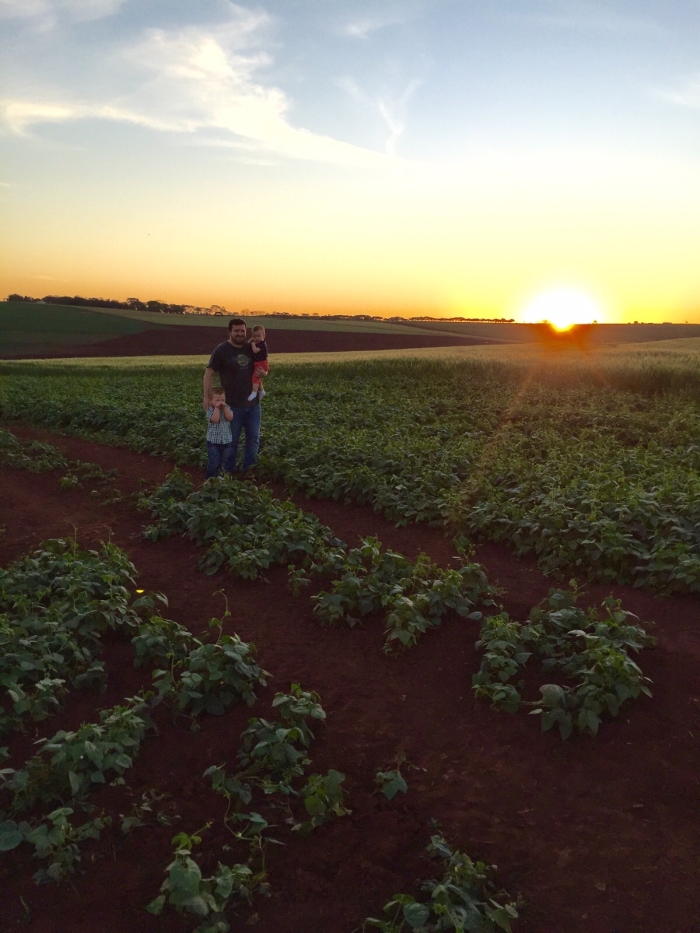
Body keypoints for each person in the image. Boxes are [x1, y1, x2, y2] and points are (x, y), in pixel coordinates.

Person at [202, 318, 266, 475]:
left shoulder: (251, 348)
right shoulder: (222, 350)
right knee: (231, 441)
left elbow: (262, 364)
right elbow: (209, 372)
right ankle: (228, 471)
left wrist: (264, 373)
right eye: (236, 331)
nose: (240, 334)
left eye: (242, 331)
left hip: (253, 405)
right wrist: (207, 397)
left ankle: (249, 471)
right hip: (232, 405)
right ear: (229, 332)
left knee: (253, 440)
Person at [204, 386, 234, 479]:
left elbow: (230, 418)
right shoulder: (210, 410)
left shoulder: (227, 408)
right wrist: (216, 408)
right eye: (217, 400)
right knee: (214, 462)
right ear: (211, 401)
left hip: (226, 441)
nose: (220, 402)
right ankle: (209, 479)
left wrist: (225, 408)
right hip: (213, 442)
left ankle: (219, 479)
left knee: (223, 462)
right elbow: (215, 420)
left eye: (222, 400)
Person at [247, 324, 269, 401]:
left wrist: (253, 344)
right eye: (254, 336)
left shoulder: (262, 344)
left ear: (264, 335)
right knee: (256, 377)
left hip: (261, 363)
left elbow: (255, 351)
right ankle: (262, 391)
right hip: (258, 363)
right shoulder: (258, 343)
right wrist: (252, 339)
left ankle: (254, 392)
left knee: (255, 377)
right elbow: (248, 343)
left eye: (258, 336)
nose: (256, 338)